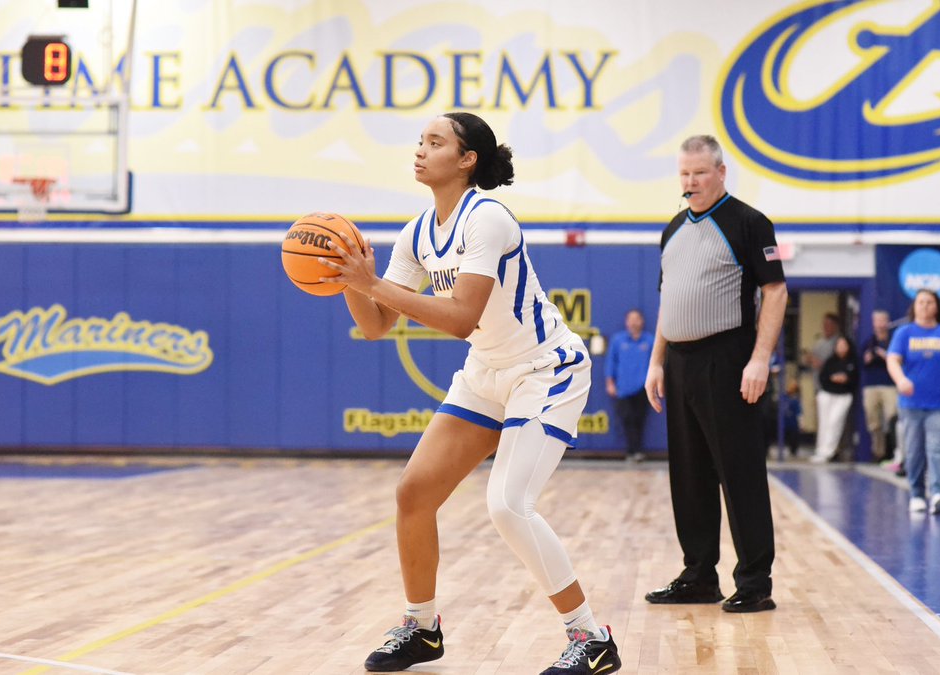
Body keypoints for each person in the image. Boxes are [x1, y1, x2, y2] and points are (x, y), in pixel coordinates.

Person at [320, 112, 621, 675]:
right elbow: (376, 325)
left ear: (466, 161)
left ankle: (591, 637)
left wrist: (372, 284)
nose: (420, 150)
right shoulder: (416, 233)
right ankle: (421, 627)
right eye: (419, 141)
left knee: (508, 505)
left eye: (435, 142)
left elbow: (460, 317)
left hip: (545, 369)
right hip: (487, 370)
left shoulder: (489, 220)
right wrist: (345, 278)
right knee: (413, 494)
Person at [643, 134, 787, 614]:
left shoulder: (748, 223)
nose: (690, 182)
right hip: (680, 364)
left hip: (728, 360)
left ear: (721, 172)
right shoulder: (672, 230)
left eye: (699, 173)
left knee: (739, 472)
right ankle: (699, 576)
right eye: (684, 174)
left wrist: (760, 359)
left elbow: (776, 292)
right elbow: (668, 302)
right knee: (689, 475)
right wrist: (656, 362)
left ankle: (754, 582)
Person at [886, 289, 940, 515]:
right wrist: (901, 380)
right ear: (914, 306)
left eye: (929, 302)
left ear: (937, 307)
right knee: (914, 451)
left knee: (937, 448)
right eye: (920, 302)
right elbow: (892, 360)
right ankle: (916, 494)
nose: (924, 305)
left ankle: (938, 492)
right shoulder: (904, 333)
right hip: (911, 404)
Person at [606, 309, 655, 462]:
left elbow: (656, 364)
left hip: (643, 388)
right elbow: (610, 363)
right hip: (623, 389)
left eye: (637, 319)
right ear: (626, 322)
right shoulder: (618, 340)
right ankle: (631, 451)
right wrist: (610, 382)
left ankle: (638, 451)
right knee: (627, 419)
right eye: (631, 319)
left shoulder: (650, 340)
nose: (634, 322)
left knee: (639, 420)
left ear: (642, 321)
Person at [812, 335, 858, 463]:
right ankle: (820, 450)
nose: (841, 347)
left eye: (844, 345)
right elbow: (823, 378)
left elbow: (854, 380)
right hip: (827, 394)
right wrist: (833, 379)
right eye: (839, 345)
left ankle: (828, 451)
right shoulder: (830, 361)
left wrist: (845, 380)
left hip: (843, 396)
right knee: (824, 423)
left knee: (835, 422)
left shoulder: (852, 362)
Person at [862, 310, 899, 463]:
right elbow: (862, 362)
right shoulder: (868, 342)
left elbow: (900, 361)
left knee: (892, 418)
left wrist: (887, 357)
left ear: (888, 322)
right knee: (873, 421)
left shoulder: (893, 341)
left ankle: (893, 453)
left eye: (882, 320)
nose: (879, 324)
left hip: (890, 384)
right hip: (871, 385)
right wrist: (868, 358)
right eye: (876, 321)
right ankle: (878, 452)